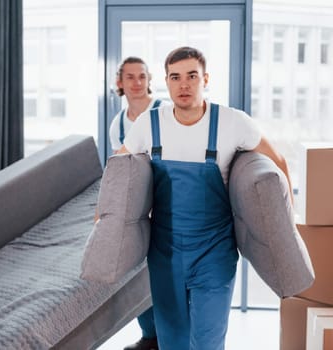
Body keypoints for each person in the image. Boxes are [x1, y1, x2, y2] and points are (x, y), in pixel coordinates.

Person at [117, 46, 292, 350]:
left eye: (191, 76)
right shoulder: (149, 123)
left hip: (214, 254)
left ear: (205, 78)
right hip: (164, 253)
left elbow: (279, 162)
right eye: (175, 77)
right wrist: (102, 219)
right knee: (171, 343)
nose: (183, 84)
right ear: (166, 82)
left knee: (208, 343)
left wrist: (289, 222)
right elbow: (118, 173)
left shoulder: (232, 122)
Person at [109, 56, 167, 350]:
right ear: (120, 82)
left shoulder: (165, 112)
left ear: (149, 80)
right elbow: (121, 172)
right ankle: (151, 337)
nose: (136, 83)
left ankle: (176, 337)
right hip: (138, 207)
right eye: (129, 77)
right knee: (136, 272)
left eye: (141, 76)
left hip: (169, 201)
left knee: (168, 271)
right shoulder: (117, 124)